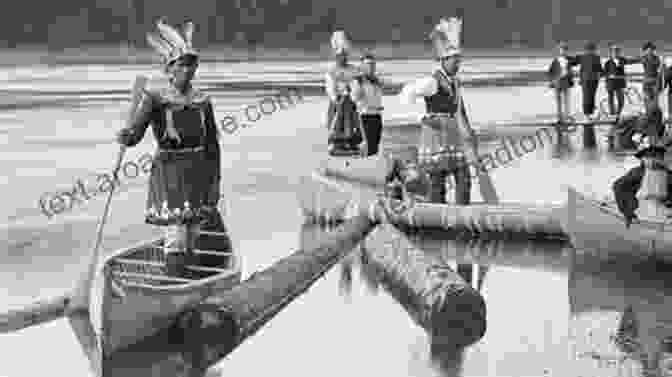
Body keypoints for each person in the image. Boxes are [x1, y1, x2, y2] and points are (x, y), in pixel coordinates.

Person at [116, 19, 224, 276]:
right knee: (176, 232)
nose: (187, 70)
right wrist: (126, 136)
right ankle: (175, 280)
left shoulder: (202, 101)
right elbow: (136, 135)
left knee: (195, 229)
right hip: (169, 172)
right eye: (182, 65)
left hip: (198, 171)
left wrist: (215, 181)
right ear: (170, 69)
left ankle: (191, 280)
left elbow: (212, 144)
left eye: (191, 65)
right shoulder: (155, 100)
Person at [398, 17, 472, 204]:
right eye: (455, 61)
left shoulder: (455, 83)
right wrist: (422, 117)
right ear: (444, 61)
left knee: (464, 176)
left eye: (459, 61)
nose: (458, 64)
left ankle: (463, 213)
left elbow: (459, 109)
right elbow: (406, 93)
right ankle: (437, 214)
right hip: (436, 135)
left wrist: (469, 131)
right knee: (437, 179)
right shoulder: (432, 82)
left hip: (452, 136)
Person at [612, 143, 672, 227]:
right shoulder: (637, 172)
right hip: (642, 209)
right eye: (648, 156)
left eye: (657, 156)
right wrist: (628, 210)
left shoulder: (668, 174)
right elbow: (618, 186)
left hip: (665, 211)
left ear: (662, 158)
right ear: (642, 159)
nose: (653, 159)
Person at [324, 30, 363, 155]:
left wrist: (353, 95)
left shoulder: (354, 69)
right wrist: (335, 98)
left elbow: (357, 85)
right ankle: (336, 142)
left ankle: (352, 142)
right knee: (338, 118)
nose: (343, 58)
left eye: (345, 55)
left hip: (351, 103)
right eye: (340, 56)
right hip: (337, 103)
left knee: (354, 119)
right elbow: (330, 86)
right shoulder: (331, 70)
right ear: (336, 56)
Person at [350, 51, 384, 156]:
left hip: (377, 115)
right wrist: (358, 89)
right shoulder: (358, 80)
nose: (371, 67)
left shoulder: (376, 81)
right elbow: (354, 98)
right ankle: (363, 164)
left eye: (373, 64)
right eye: (368, 64)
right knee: (367, 144)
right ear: (363, 66)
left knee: (375, 145)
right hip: (365, 116)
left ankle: (373, 164)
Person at [603, 44, 639, 117]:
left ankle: (618, 113)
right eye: (614, 51)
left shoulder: (622, 60)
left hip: (620, 83)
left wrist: (640, 59)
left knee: (621, 100)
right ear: (611, 53)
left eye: (617, 51)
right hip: (611, 83)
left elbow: (631, 61)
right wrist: (608, 76)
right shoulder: (607, 62)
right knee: (611, 99)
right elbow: (604, 73)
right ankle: (612, 113)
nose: (616, 53)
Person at [547, 41, 577, 122]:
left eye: (564, 49)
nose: (563, 51)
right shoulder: (556, 60)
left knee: (566, 100)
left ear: (566, 50)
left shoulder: (570, 59)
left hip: (566, 82)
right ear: (559, 50)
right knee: (558, 101)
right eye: (561, 49)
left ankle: (567, 116)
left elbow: (579, 62)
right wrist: (551, 81)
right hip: (557, 82)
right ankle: (559, 117)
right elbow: (550, 72)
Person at [573, 42, 604, 119]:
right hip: (587, 79)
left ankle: (590, 111)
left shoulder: (595, 57)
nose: (591, 51)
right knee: (588, 96)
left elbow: (599, 69)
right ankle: (587, 113)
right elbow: (573, 62)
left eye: (592, 49)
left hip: (591, 79)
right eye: (591, 49)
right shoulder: (584, 57)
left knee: (590, 95)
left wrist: (603, 73)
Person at [637, 42, 664, 111]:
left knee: (655, 99)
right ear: (645, 50)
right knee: (646, 98)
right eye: (648, 49)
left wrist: (662, 66)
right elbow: (633, 60)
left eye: (651, 49)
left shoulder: (657, 58)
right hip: (646, 80)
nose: (650, 51)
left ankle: (654, 114)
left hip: (655, 81)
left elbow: (660, 68)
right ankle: (648, 113)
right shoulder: (643, 58)